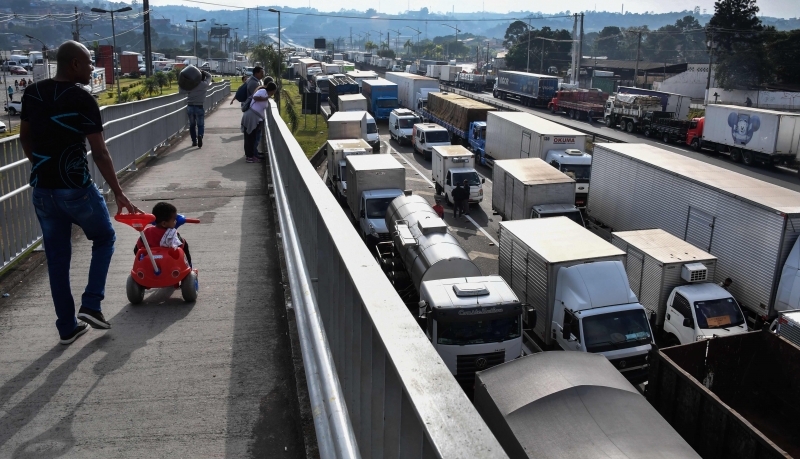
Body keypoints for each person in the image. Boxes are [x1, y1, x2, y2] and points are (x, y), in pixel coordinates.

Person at [19, 40, 140, 345]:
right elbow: (100, 153)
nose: (91, 68)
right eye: (88, 63)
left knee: (58, 259)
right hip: (76, 189)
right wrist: (119, 193)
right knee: (104, 237)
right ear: (74, 63)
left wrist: (40, 165)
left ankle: (66, 327)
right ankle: (92, 305)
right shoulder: (81, 98)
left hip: (43, 191)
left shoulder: (32, 93)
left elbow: (24, 137)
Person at [134, 202, 192, 267]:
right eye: (174, 220)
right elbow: (180, 249)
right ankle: (189, 267)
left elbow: (137, 249)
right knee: (184, 244)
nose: (175, 222)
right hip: (170, 265)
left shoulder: (146, 232)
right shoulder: (173, 234)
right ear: (164, 223)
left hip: (150, 264)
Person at [180, 69, 213, 148]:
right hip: (199, 106)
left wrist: (181, 83)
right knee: (200, 124)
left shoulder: (190, 85)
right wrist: (203, 71)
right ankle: (200, 135)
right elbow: (209, 76)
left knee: (192, 125)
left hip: (190, 106)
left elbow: (181, 91)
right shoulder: (204, 84)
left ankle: (194, 141)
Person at [241, 83, 274, 163]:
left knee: (253, 138)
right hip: (252, 117)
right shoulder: (263, 91)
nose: (273, 94)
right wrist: (266, 98)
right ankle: (250, 157)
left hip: (255, 117)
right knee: (250, 138)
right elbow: (255, 97)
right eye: (274, 92)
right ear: (272, 90)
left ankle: (252, 155)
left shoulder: (264, 93)